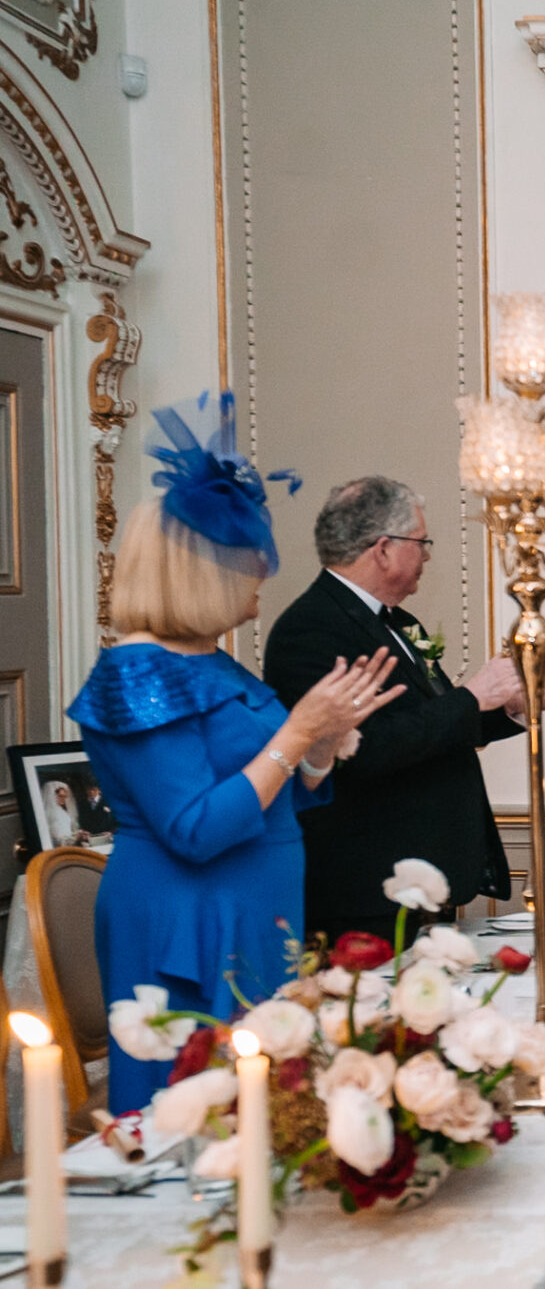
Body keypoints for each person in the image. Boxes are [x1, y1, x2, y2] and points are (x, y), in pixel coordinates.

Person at [78, 395, 401, 1112]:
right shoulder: (136, 675)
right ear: (203, 572)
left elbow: (281, 791)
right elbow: (195, 829)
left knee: (265, 1109)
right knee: (194, 1113)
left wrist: (320, 747)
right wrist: (294, 736)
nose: (263, 572)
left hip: (257, 904)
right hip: (187, 914)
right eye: (248, 558)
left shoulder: (216, 663)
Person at [264, 476, 545, 943]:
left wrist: (509, 706)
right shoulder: (311, 630)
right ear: (384, 549)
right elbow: (361, 753)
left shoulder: (399, 622)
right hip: (367, 889)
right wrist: (471, 696)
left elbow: (432, 727)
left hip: (421, 878)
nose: (427, 555)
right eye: (421, 542)